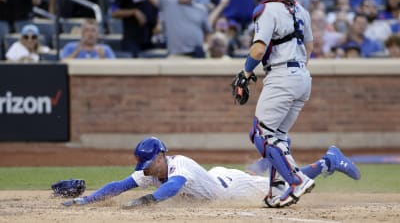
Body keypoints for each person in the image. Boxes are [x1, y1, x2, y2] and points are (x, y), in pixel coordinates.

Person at [62, 136, 360, 207]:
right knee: (274, 179)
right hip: (215, 177)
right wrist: (85, 201)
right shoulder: (153, 170)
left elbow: (172, 187)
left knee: (282, 190)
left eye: (149, 163)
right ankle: (269, 164)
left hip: (231, 187)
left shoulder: (179, 166)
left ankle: (327, 161)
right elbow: (121, 184)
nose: (146, 169)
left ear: (160, 155)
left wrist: (148, 201)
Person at [233, 0, 316, 208]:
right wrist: (296, 71)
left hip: (282, 75)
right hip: (302, 76)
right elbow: (309, 46)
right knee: (277, 136)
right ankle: (277, 190)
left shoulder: (267, 9)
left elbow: (258, 49)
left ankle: (297, 179)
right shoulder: (300, 8)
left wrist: (245, 72)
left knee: (261, 134)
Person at [144, 0, 212, 58]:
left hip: (197, 56)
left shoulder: (201, 9)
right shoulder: (168, 5)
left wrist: (207, 47)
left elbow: (208, 33)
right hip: (176, 56)